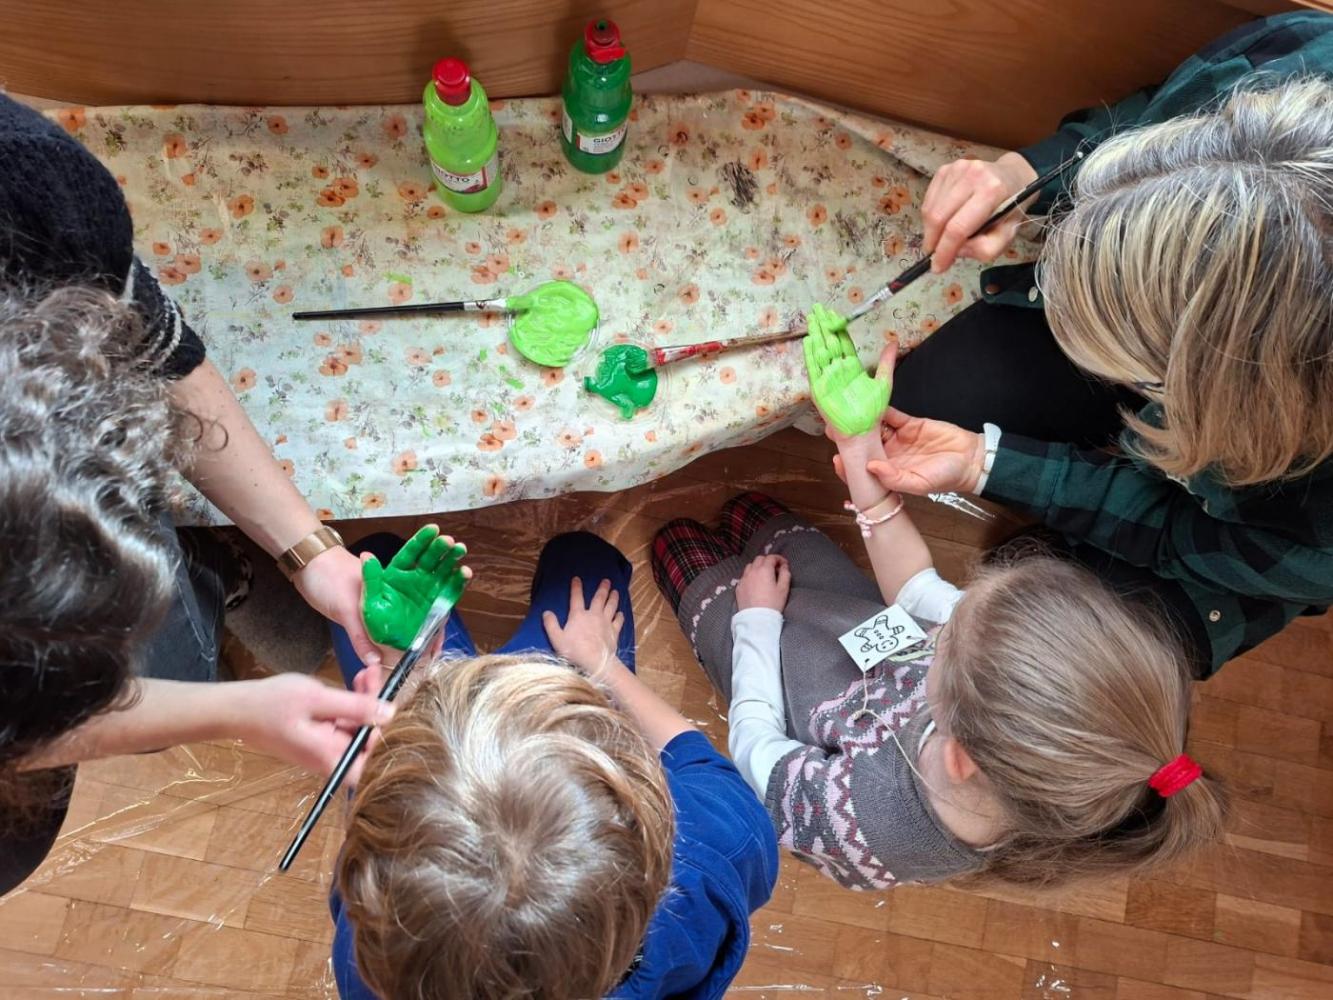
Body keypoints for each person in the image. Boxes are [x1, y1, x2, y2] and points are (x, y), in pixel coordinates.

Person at [650, 311, 1227, 889]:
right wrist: (860, 449)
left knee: (677, 542)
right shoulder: (1006, 710)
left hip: (772, 671)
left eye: (945, 640)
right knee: (749, 512)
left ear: (957, 754)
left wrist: (755, 621)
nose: (943, 621)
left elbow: (756, 745)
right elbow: (916, 590)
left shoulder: (858, 822)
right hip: (840, 620)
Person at [0, 93, 387, 894]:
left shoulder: (30, 198)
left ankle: (212, 579)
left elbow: (159, 349)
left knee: (176, 660)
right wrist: (223, 712)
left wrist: (310, 551)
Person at [881, 11, 1333, 678]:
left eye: (1128, 357)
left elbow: (1180, 533)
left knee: (1079, 646)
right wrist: (1020, 176)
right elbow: (1147, 115)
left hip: (1252, 523)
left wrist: (1004, 471)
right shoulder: (1298, 53)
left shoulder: (1310, 529)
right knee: (927, 398)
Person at [327, 531, 778, 1000]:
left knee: (372, 558)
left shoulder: (379, 957)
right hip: (564, 668)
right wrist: (602, 664)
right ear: (647, 807)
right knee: (584, 557)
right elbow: (691, 754)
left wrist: (404, 676)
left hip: (430, 686)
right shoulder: (711, 852)